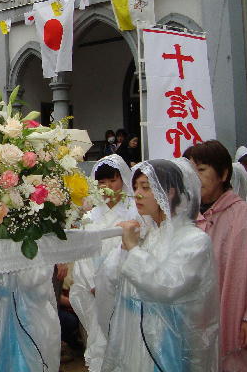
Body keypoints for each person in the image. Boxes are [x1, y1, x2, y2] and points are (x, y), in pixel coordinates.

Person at [95, 159, 219, 371]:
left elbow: (167, 286)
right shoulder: (147, 235)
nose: (138, 194)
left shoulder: (194, 240)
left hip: (171, 340)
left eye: (146, 187)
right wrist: (125, 249)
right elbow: (110, 277)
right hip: (135, 335)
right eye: (135, 187)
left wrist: (133, 251)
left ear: (169, 192)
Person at [191, 140, 247, 371]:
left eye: (202, 170)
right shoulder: (189, 216)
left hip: (235, 322)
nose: (195, 177)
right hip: (196, 321)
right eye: (191, 171)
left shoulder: (245, 217)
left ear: (223, 173)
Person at [70, 155, 138, 372]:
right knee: (98, 341)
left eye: (113, 180)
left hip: (121, 290)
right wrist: (92, 283)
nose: (107, 186)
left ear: (123, 181)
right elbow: (82, 255)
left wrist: (108, 284)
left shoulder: (131, 214)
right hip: (91, 289)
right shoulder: (90, 216)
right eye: (102, 182)